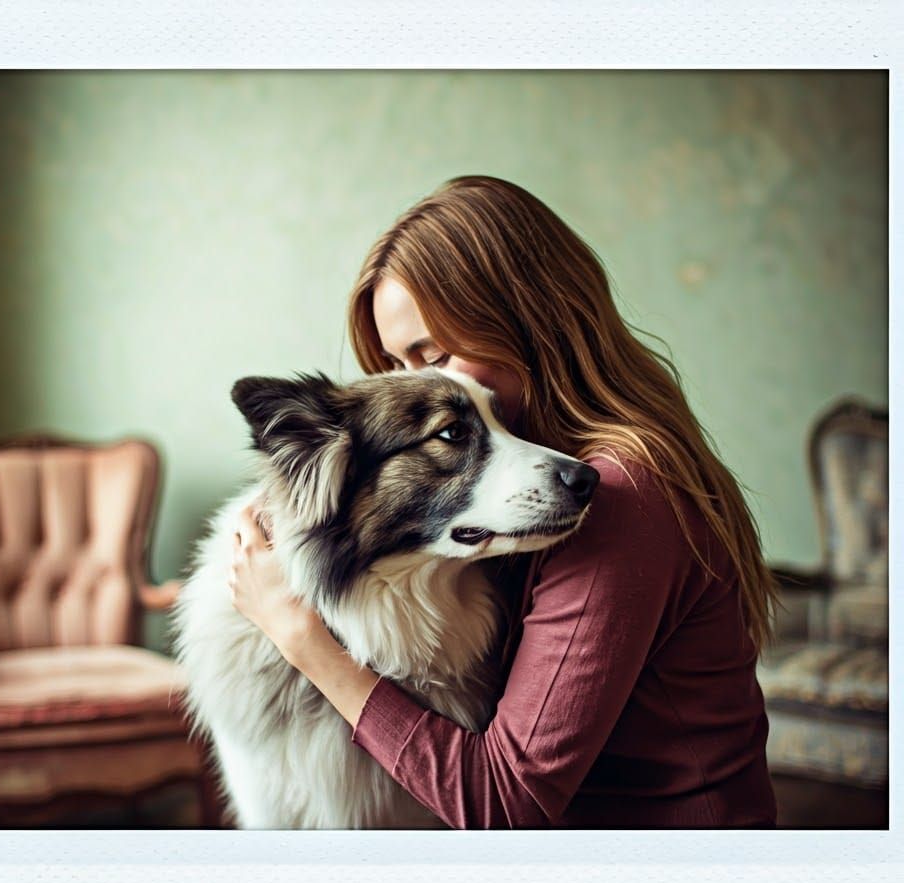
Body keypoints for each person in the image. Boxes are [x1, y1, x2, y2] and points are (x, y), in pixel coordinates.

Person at [228, 174, 779, 828]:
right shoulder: (535, 492)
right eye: (398, 366)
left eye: (432, 353)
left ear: (524, 318)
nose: (423, 383)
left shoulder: (621, 498)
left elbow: (502, 801)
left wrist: (304, 641)